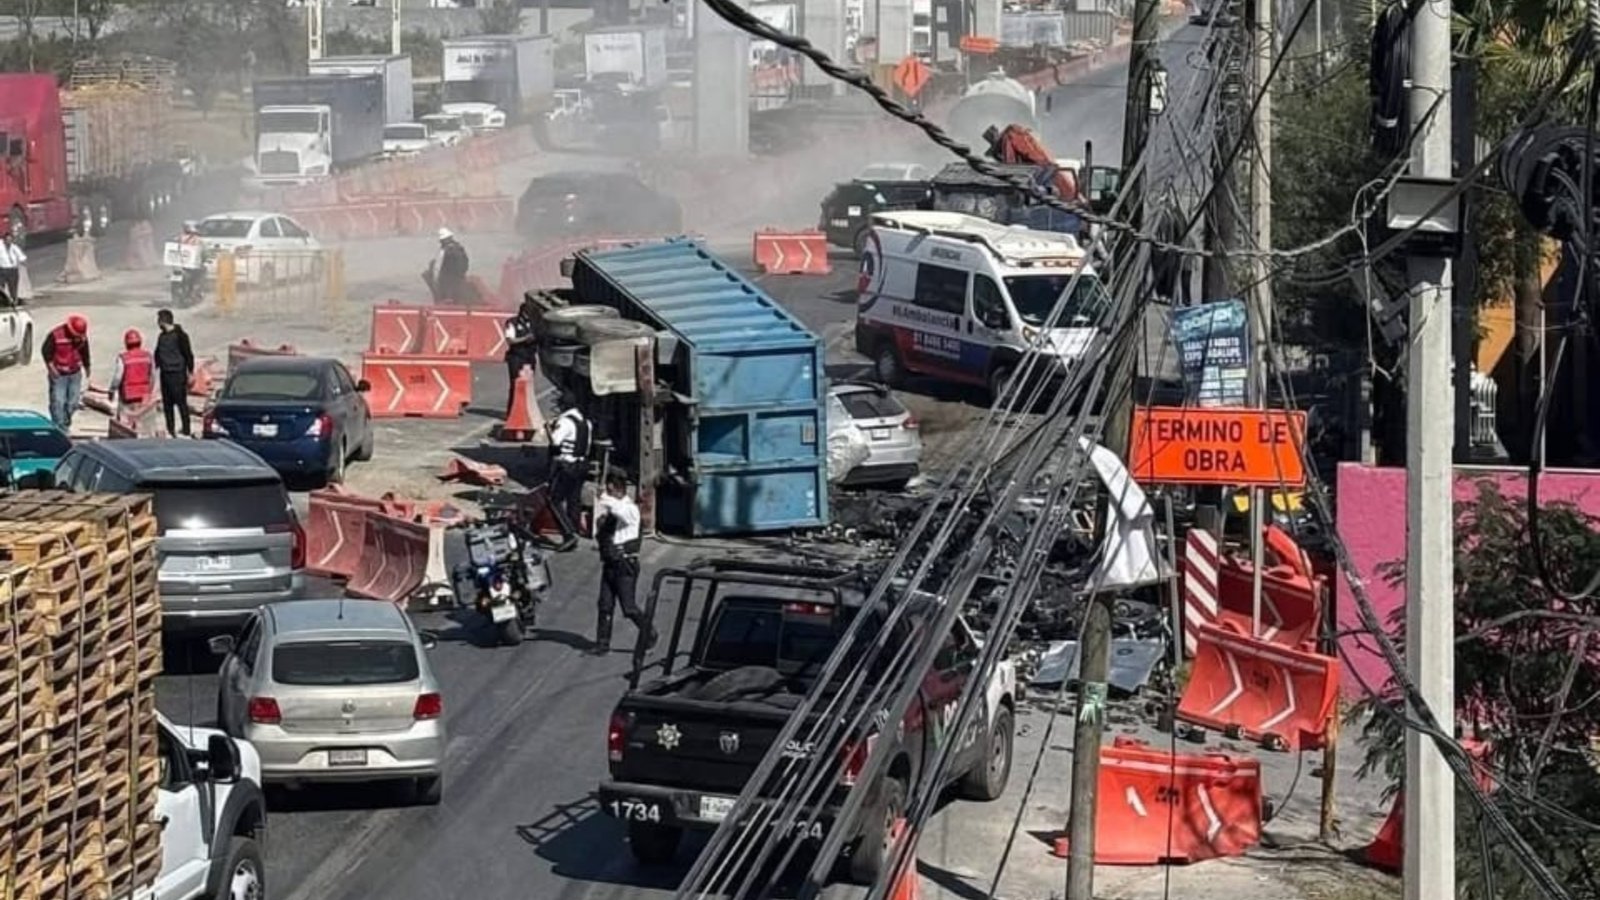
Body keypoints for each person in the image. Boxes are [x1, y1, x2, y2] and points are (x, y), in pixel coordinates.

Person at [592, 473, 654, 655]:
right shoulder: (613, 512)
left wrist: (603, 497)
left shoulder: (630, 509)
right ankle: (602, 644)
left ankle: (649, 633)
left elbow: (618, 509)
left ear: (617, 490)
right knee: (605, 605)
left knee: (629, 608)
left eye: (611, 491)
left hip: (625, 564)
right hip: (610, 563)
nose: (608, 495)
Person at [546, 399, 590, 549]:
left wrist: (549, 429)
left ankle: (568, 533)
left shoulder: (565, 422)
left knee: (553, 499)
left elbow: (555, 443)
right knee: (574, 499)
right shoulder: (586, 422)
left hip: (567, 465)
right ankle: (575, 529)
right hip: (582, 465)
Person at [41, 315, 90, 431]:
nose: (78, 338)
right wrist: (51, 367)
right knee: (58, 401)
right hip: (59, 373)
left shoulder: (82, 337)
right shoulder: (55, 335)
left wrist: (87, 366)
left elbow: (85, 352)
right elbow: (46, 351)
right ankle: (59, 427)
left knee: (73, 402)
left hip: (75, 373)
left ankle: (65, 421)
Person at [154, 309, 195, 437]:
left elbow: (188, 354)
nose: (157, 323)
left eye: (159, 320)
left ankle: (186, 429)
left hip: (178, 374)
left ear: (163, 321)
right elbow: (157, 354)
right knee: (167, 405)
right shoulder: (161, 337)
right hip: (165, 374)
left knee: (181, 403)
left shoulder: (181, 336)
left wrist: (191, 372)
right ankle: (170, 429)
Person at [503, 296, 539, 417]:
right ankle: (511, 412)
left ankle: (527, 411)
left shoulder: (535, 324)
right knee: (515, 384)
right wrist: (525, 339)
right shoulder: (512, 322)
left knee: (528, 385)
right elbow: (510, 340)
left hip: (530, 356)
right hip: (516, 357)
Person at [108, 329, 154, 417]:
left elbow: (118, 377)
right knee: (142, 418)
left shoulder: (123, 358)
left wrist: (112, 390)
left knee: (125, 418)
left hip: (127, 395)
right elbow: (152, 375)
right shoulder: (148, 356)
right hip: (144, 394)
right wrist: (149, 391)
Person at [427, 228, 471, 304]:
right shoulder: (459, 249)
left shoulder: (446, 250)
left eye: (441, 240)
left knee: (447, 301)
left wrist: (434, 277)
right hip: (457, 281)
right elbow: (465, 263)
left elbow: (438, 267)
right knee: (455, 300)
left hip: (447, 283)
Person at [0, 230, 24, 302]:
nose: (9, 242)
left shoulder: (14, 247)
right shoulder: (0, 246)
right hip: (2, 270)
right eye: (7, 240)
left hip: (13, 271)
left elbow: (21, 256)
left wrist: (22, 261)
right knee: (1, 286)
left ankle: (14, 300)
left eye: (10, 240)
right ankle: (3, 300)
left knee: (13, 288)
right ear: (4, 240)